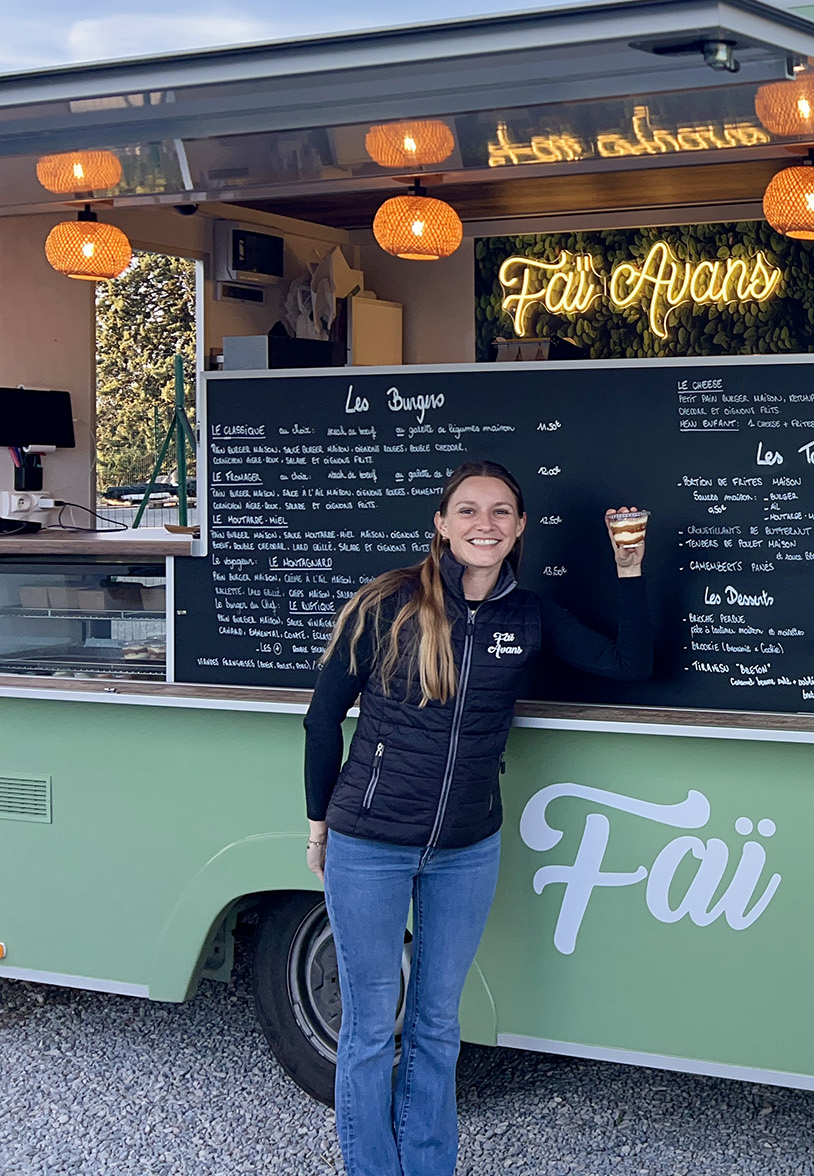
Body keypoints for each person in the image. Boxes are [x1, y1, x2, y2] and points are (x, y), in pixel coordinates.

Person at [302, 460, 652, 1176]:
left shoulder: (529, 616)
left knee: (436, 1025)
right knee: (369, 1030)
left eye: (500, 512)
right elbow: (321, 718)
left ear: (520, 528)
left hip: (466, 848)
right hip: (369, 843)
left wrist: (630, 565)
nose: (483, 524)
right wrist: (319, 824)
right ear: (441, 524)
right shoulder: (388, 603)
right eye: (467, 510)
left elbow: (629, 664)